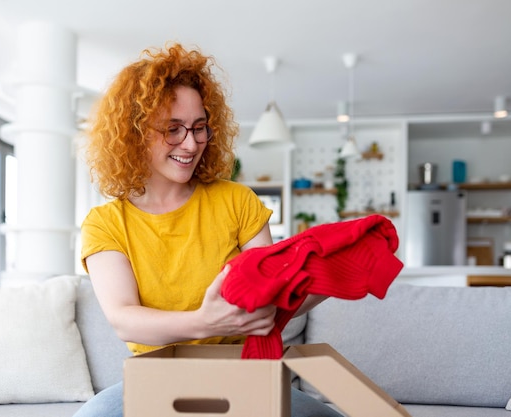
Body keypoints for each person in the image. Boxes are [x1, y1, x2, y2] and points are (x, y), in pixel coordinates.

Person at [74, 42, 342, 417]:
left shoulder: (237, 201)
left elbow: (274, 296)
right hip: (157, 379)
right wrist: (204, 321)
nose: (191, 143)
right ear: (135, 133)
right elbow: (124, 319)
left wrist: (326, 278)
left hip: (244, 374)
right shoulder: (105, 222)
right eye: (173, 129)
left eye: (200, 127)